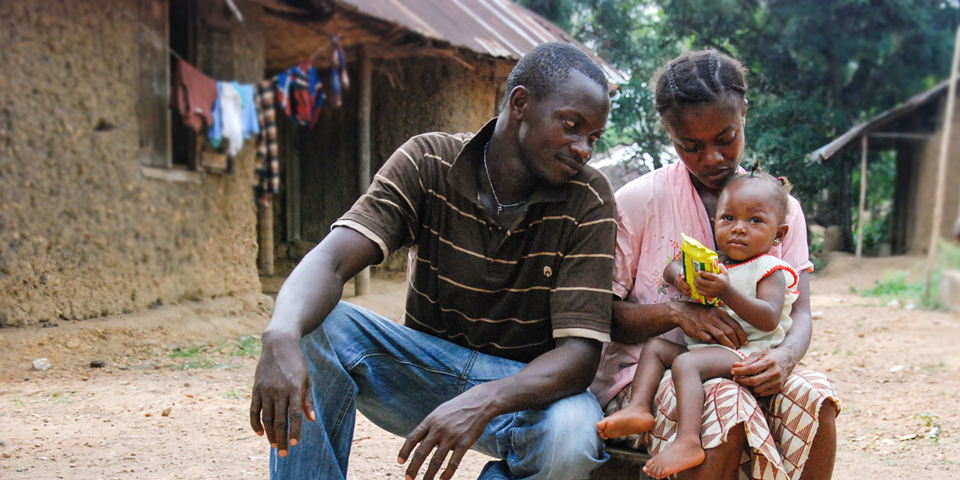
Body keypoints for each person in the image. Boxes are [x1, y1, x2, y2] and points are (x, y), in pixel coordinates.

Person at [249, 42, 617, 480]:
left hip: (522, 392)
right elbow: (331, 261)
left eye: (593, 136)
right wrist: (280, 332)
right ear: (520, 103)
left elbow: (578, 356)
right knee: (315, 326)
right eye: (572, 126)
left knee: (573, 436)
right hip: (420, 373)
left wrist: (488, 398)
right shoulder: (429, 161)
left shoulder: (589, 198)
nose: (583, 149)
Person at [589, 49, 840, 480]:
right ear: (669, 135)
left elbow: (799, 312)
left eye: (726, 138)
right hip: (649, 375)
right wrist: (674, 313)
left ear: (743, 114)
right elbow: (599, 316)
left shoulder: (783, 212)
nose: (711, 158)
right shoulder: (638, 202)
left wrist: (784, 359)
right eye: (691, 146)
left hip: (751, 361)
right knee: (726, 400)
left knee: (815, 395)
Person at [597, 172, 801, 479]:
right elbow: (670, 266)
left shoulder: (771, 269)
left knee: (686, 363)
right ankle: (638, 408)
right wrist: (680, 275)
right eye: (728, 218)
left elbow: (770, 316)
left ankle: (688, 441)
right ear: (714, 220)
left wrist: (727, 292)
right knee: (656, 347)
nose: (738, 229)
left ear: (779, 234)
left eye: (755, 221)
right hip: (711, 349)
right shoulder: (718, 263)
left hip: (749, 352)